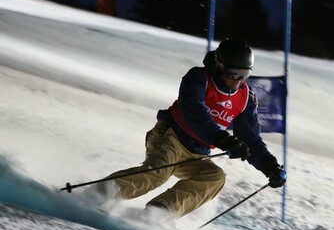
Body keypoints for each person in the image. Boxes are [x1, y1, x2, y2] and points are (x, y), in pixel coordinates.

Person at [89, 38, 286, 220]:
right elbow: (194, 112)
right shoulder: (199, 78)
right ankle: (97, 194)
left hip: (197, 153)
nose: (237, 81)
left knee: (215, 178)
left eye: (244, 75)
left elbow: (251, 139)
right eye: (233, 74)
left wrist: (270, 167)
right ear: (219, 66)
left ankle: (159, 213)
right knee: (158, 173)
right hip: (170, 136)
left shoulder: (245, 98)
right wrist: (222, 139)